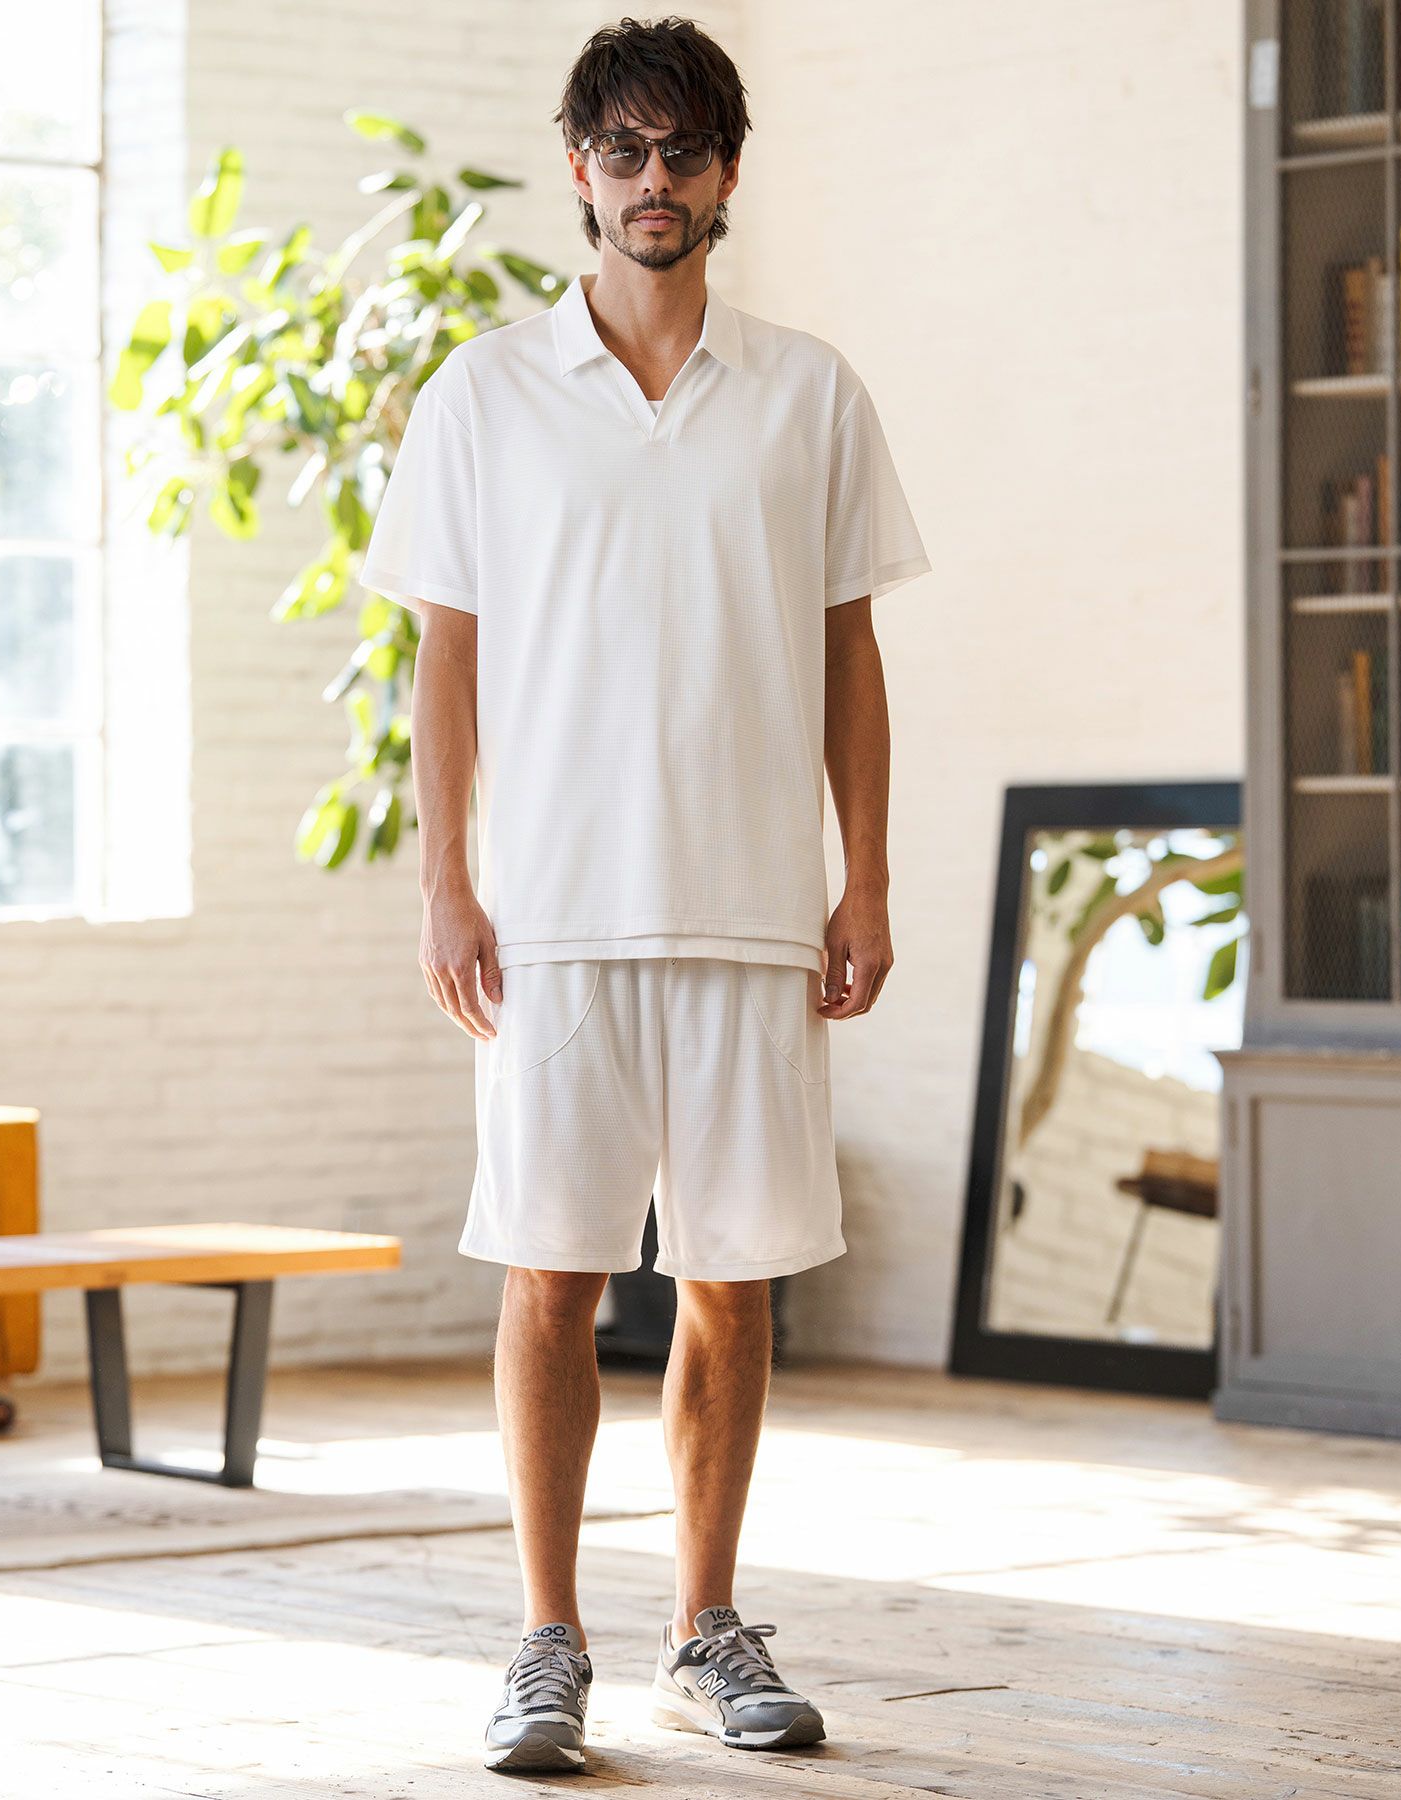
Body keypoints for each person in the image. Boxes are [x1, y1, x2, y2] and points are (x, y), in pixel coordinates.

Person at [358, 14, 931, 1775]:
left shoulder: (810, 391)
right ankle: (546, 1643)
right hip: (552, 919)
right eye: (625, 149)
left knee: (733, 1287)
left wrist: (866, 878)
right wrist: (447, 880)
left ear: (728, 171)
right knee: (548, 1278)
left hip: (755, 911)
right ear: (582, 169)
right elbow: (446, 660)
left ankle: (706, 1631)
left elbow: (850, 655)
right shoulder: (482, 393)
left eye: (684, 149)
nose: (653, 178)